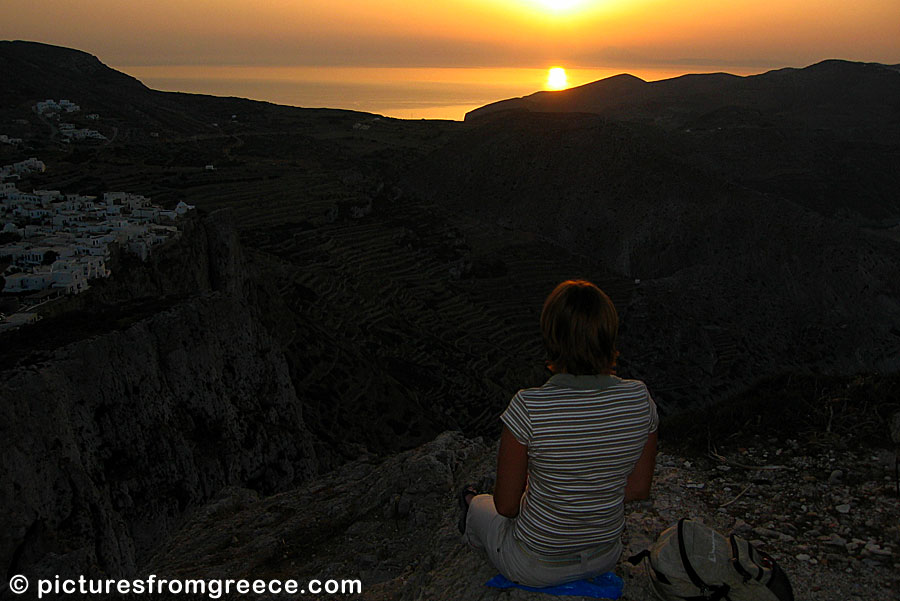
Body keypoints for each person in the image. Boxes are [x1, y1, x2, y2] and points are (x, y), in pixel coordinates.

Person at [459, 279, 658, 587]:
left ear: (552, 336)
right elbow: (638, 489)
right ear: (608, 335)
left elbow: (508, 507)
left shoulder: (528, 406)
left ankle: (468, 546)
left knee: (479, 508)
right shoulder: (639, 399)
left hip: (535, 566)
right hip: (604, 556)